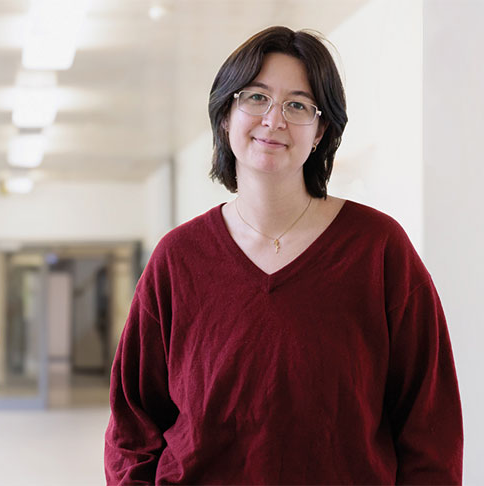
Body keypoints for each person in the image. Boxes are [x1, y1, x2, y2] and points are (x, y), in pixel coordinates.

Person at [104, 26, 462, 485]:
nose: (274, 120)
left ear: (321, 131)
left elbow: (431, 425)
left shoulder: (378, 250)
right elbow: (132, 423)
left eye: (298, 105)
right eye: (255, 97)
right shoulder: (178, 259)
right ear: (225, 116)